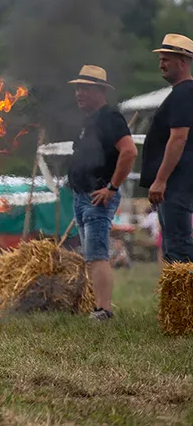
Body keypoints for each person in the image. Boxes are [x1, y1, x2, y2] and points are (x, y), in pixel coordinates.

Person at [66, 65, 138, 320]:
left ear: (100, 91)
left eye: (84, 88)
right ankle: (98, 305)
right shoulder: (89, 122)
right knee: (91, 255)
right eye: (77, 89)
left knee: (97, 254)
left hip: (98, 196)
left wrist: (112, 187)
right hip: (82, 195)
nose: (79, 94)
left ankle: (104, 310)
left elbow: (129, 152)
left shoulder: (110, 118)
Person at [140, 34, 193, 264]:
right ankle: (180, 297)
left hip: (176, 182)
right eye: (161, 59)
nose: (161, 64)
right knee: (173, 245)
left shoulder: (184, 94)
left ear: (183, 62)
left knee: (178, 247)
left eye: (167, 59)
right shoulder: (180, 94)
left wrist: (161, 180)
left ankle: (184, 297)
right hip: (176, 182)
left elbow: (178, 138)